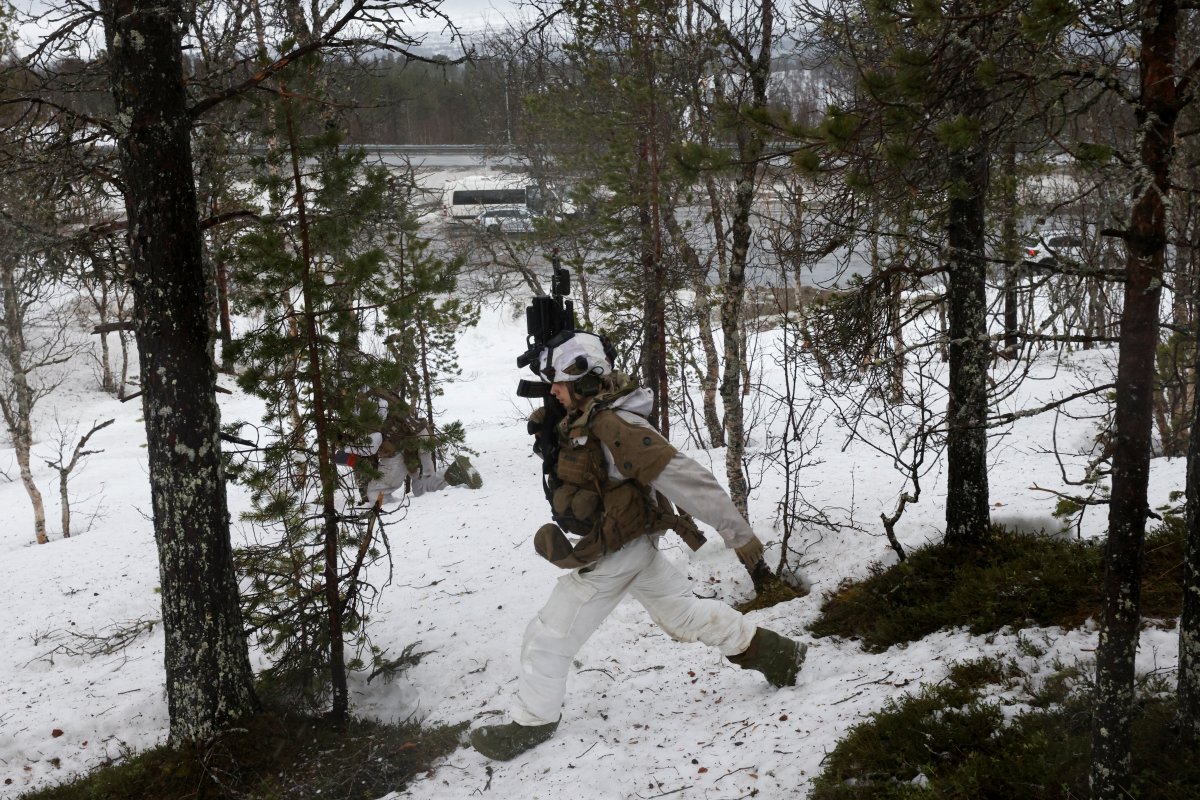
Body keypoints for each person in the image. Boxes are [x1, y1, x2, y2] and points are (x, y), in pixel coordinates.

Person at [470, 331, 806, 761]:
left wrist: (738, 535)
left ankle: (532, 722)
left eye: (557, 381)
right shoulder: (588, 415)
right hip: (632, 542)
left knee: (547, 637)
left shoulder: (619, 425)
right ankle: (779, 655)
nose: (552, 390)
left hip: (619, 549)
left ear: (583, 378)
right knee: (683, 616)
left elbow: (687, 478)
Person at [335, 390, 481, 504]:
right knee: (421, 487)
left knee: (376, 493)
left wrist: (347, 451)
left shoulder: (363, 402)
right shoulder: (374, 391)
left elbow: (374, 442)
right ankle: (454, 475)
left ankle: (396, 514)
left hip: (401, 446)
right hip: (419, 435)